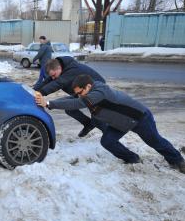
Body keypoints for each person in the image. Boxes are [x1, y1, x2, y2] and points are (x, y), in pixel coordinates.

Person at [35, 74, 185, 173]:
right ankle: (132, 158)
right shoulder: (88, 91)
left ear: (88, 86)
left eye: (80, 92)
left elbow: (76, 103)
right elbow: (70, 99)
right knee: (107, 141)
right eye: (78, 93)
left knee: (155, 141)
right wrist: (46, 101)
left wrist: (49, 104)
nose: (79, 95)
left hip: (139, 118)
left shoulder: (99, 93)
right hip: (120, 122)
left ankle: (177, 160)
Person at [34, 57, 107, 137]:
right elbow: (48, 81)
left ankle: (109, 136)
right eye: (52, 76)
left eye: (54, 75)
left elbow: (58, 83)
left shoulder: (71, 70)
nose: (53, 78)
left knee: (97, 118)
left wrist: (41, 93)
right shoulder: (60, 68)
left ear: (59, 68)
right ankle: (88, 124)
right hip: (82, 91)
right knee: (70, 108)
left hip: (96, 90)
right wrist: (34, 90)